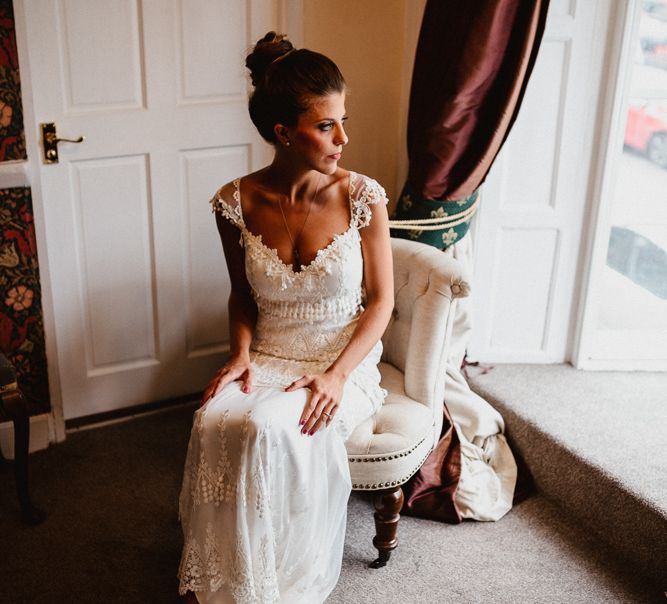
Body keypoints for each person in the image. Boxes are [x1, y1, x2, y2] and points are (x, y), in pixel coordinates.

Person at [177, 32, 394, 604]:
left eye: (342, 121)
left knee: (267, 427)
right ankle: (236, 580)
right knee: (214, 419)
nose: (343, 138)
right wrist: (239, 354)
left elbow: (381, 302)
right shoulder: (235, 202)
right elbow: (242, 298)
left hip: (340, 362)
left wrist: (337, 376)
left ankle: (276, 588)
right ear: (283, 133)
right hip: (268, 354)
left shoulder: (363, 197)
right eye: (327, 126)